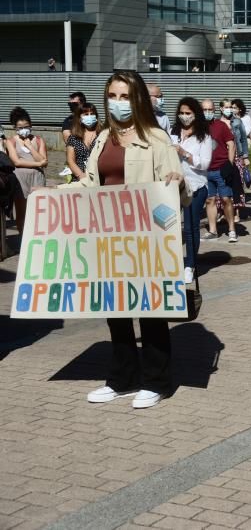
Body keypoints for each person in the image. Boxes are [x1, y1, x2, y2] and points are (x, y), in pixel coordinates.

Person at [61, 70, 186, 409]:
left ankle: (157, 381)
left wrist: (177, 181)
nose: (118, 103)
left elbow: (176, 191)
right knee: (115, 309)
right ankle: (122, 378)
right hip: (109, 237)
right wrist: (55, 194)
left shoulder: (157, 139)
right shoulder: (103, 138)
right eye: (113, 96)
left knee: (150, 310)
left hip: (147, 239)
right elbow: (89, 184)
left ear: (139, 99)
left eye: (125, 96)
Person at [171, 98, 213, 284]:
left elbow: (204, 163)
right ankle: (171, 263)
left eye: (188, 113)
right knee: (168, 226)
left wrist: (185, 154)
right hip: (172, 185)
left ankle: (190, 265)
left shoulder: (203, 137)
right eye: (182, 112)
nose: (184, 116)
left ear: (196, 114)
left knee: (190, 228)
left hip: (195, 186)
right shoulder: (172, 132)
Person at [4, 108, 48, 234]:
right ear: (15, 128)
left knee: (39, 210)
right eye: (20, 127)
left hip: (37, 178)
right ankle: (23, 237)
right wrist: (38, 163)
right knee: (21, 210)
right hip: (20, 179)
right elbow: (16, 162)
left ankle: (38, 235)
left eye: (27, 126)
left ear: (31, 125)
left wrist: (30, 146)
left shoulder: (39, 140)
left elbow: (44, 161)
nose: (24, 129)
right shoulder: (11, 142)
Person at [200, 99, 238, 242]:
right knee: (210, 200)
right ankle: (213, 230)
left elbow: (231, 144)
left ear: (215, 111)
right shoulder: (197, 127)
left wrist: (229, 163)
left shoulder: (221, 126)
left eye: (210, 110)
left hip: (221, 169)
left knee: (226, 199)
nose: (207, 113)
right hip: (205, 170)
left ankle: (232, 229)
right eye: (204, 110)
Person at [220, 98, 248, 220]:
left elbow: (243, 139)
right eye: (226, 107)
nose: (228, 109)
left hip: (237, 156)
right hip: (221, 157)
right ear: (221, 108)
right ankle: (222, 212)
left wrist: (245, 156)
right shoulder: (217, 123)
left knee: (236, 183)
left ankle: (236, 213)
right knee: (222, 184)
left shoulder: (237, 122)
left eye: (230, 107)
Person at [66, 104, 101, 182]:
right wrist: (81, 176)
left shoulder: (103, 134)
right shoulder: (73, 137)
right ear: (79, 117)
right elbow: (70, 160)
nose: (89, 116)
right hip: (79, 179)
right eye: (86, 114)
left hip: (99, 179)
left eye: (92, 114)